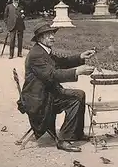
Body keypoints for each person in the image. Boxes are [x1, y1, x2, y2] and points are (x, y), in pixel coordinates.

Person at [18, 22, 96, 152]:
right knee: (75, 99)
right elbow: (51, 75)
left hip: (45, 94)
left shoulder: (43, 51)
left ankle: (76, 134)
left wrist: (80, 57)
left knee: (79, 94)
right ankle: (64, 139)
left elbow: (62, 62)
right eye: (48, 35)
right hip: (39, 100)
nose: (52, 37)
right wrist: (77, 71)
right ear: (39, 38)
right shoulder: (37, 54)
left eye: (52, 34)